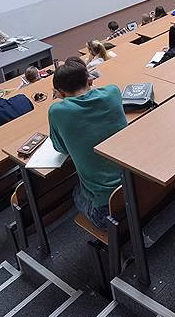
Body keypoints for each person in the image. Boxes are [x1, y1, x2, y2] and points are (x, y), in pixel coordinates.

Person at [48, 60, 127, 228]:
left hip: (107, 211)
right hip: (139, 188)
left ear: (59, 92)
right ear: (89, 80)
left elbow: (60, 148)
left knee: (76, 191)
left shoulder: (57, 112)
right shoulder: (113, 92)